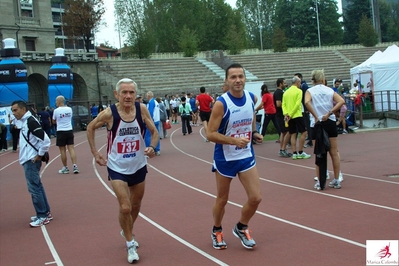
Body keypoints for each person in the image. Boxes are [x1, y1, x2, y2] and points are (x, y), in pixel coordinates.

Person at [86, 78, 159, 263]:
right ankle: (130, 243)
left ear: (136, 94)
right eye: (124, 92)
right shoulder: (109, 113)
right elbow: (90, 127)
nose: (128, 96)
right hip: (117, 167)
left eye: (131, 92)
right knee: (125, 207)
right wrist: (95, 153)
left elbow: (154, 131)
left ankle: (126, 228)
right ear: (116, 94)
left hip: (138, 165)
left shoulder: (141, 109)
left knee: (136, 205)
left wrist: (152, 146)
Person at [207, 63, 262, 250]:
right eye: (233, 77)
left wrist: (254, 132)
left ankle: (241, 226)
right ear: (227, 80)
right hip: (225, 158)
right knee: (222, 199)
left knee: (256, 198)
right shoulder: (221, 104)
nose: (238, 80)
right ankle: (216, 230)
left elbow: (251, 116)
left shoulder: (252, 98)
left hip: (246, 155)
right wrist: (232, 141)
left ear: (245, 78)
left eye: (241, 76)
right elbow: (210, 134)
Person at [11, 100, 52, 227]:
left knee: (34, 188)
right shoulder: (25, 121)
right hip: (28, 158)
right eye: (12, 110)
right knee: (37, 186)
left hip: (31, 160)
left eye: (15, 110)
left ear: (23, 110)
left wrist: (39, 155)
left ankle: (42, 216)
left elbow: (46, 140)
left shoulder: (30, 121)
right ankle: (45, 212)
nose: (14, 113)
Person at [305, 70, 345, 190]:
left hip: (317, 123)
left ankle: (320, 181)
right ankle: (337, 179)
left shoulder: (310, 91)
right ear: (323, 79)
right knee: (334, 152)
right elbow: (341, 101)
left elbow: (306, 102)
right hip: (330, 121)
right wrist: (330, 112)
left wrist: (315, 115)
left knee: (319, 153)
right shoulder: (329, 90)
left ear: (313, 80)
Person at [282, 76, 311, 160]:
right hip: (297, 115)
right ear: (298, 82)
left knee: (293, 133)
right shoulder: (299, 91)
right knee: (304, 132)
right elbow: (298, 104)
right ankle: (301, 151)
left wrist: (286, 114)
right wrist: (291, 114)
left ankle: (294, 153)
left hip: (289, 115)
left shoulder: (286, 92)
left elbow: (284, 104)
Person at [52, 95, 79, 174]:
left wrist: (58, 121)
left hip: (61, 131)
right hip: (69, 130)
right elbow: (69, 118)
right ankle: (75, 166)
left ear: (59, 102)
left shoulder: (56, 111)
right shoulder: (69, 109)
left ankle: (65, 167)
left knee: (62, 150)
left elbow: (53, 121)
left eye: (56, 101)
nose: (55, 103)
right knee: (71, 149)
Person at [273, 78, 292, 157]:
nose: (285, 84)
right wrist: (286, 106)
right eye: (284, 83)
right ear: (280, 84)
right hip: (281, 115)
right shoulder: (278, 93)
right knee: (288, 131)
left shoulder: (281, 92)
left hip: (281, 115)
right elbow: (278, 104)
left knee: (283, 132)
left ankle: (282, 149)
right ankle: (283, 149)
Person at [295, 73, 313, 148]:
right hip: (304, 107)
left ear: (300, 78)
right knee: (306, 124)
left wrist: (306, 108)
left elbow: (306, 97)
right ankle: (310, 138)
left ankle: (311, 141)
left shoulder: (304, 86)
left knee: (308, 124)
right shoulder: (301, 86)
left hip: (306, 108)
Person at [145, 91, 161, 155]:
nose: (146, 96)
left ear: (148, 96)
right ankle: (157, 149)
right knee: (156, 134)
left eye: (146, 95)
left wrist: (148, 121)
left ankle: (149, 149)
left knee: (147, 135)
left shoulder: (151, 102)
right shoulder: (155, 101)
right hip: (157, 120)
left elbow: (150, 112)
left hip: (152, 121)